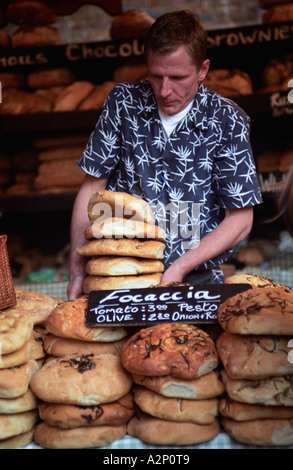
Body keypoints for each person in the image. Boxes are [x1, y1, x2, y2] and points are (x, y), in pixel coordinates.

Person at [67, 9, 263, 300]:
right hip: (119, 277)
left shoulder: (226, 120)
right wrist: (77, 270)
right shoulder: (123, 104)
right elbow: (92, 187)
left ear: (203, 69)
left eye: (177, 77)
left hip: (196, 280)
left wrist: (180, 268)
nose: (164, 90)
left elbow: (241, 218)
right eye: (156, 75)